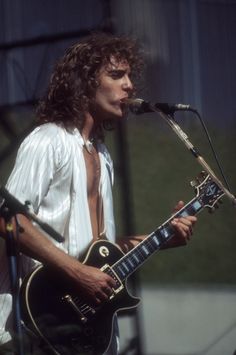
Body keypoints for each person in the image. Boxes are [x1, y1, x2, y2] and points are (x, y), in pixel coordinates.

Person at [0, 32, 197, 354]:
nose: (130, 85)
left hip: (84, 326)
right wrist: (77, 273)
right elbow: (8, 220)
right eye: (117, 75)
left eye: (130, 76)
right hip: (38, 317)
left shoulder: (102, 156)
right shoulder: (48, 140)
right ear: (84, 82)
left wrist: (162, 239)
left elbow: (97, 249)